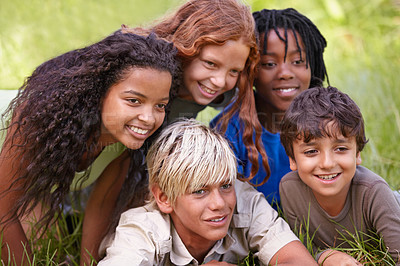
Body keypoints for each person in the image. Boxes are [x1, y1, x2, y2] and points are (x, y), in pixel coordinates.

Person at [0, 31, 181, 265]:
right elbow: (3, 209)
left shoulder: (123, 142)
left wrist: (89, 263)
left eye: (160, 105)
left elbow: (101, 203)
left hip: (13, 190)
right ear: (99, 92)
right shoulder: (36, 119)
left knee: (50, 247)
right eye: (134, 100)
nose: (148, 118)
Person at [98, 119, 317, 265]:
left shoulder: (244, 202)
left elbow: (299, 261)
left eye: (225, 185)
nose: (219, 203)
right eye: (200, 191)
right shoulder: (143, 228)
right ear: (164, 198)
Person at [124, 0, 269, 182]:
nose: (219, 81)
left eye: (234, 71)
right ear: (186, 47)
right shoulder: (145, 75)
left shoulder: (221, 91)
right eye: (210, 63)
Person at [211, 8, 329, 208]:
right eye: (269, 64)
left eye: (298, 61)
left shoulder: (329, 122)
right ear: (250, 70)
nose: (285, 73)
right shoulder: (229, 131)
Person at [279, 86, 400, 265]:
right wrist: (325, 256)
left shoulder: (373, 192)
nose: (327, 163)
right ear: (292, 160)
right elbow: (302, 249)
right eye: (311, 151)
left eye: (341, 149)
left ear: (357, 153)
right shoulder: (290, 189)